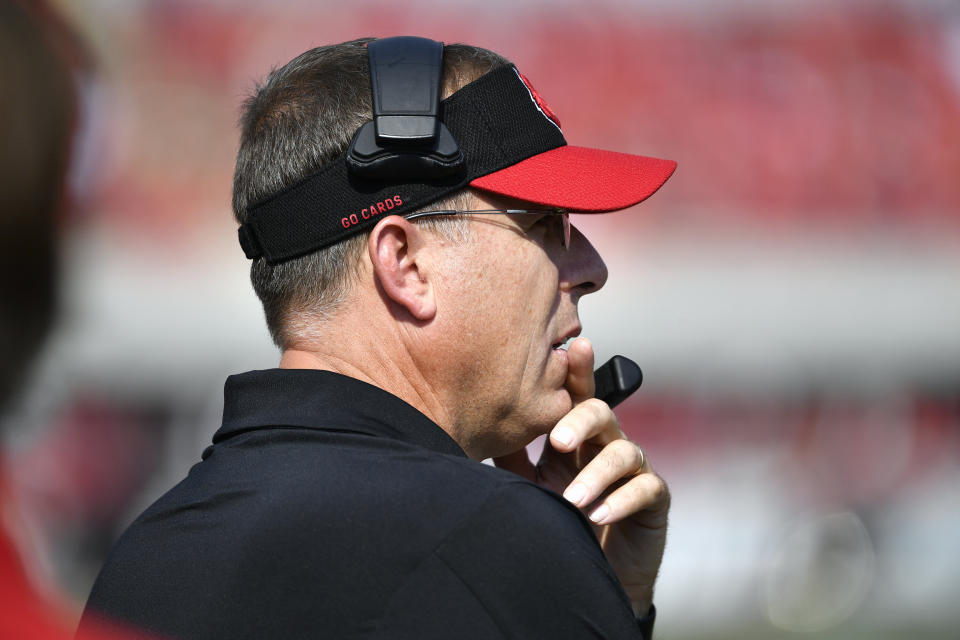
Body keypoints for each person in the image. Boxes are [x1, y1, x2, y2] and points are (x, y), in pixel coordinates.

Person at [79, 37, 677, 639]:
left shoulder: (144, 559)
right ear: (406, 265)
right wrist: (599, 599)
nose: (592, 268)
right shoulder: (495, 539)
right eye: (545, 223)